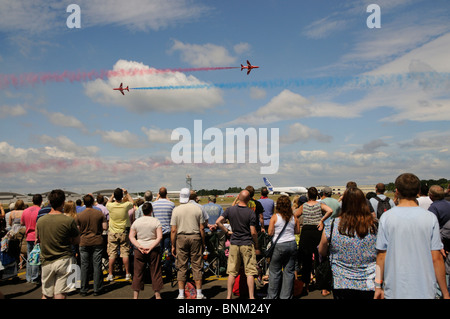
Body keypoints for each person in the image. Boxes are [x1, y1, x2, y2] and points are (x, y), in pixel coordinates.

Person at [374, 173, 449, 299]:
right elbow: (436, 258)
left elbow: (381, 255)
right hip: (425, 288)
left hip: (395, 288)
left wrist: (378, 285)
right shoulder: (430, 217)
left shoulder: (386, 217)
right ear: (418, 191)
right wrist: (445, 293)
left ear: (396, 191)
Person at [318, 187, 378, 299]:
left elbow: (322, 250)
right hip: (369, 281)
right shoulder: (374, 225)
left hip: (341, 281)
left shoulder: (333, 224)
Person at [35, 189, 80, 299]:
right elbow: (76, 240)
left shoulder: (40, 220)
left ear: (50, 202)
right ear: (63, 202)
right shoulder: (68, 220)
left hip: (46, 260)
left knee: (46, 293)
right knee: (60, 293)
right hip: (64, 258)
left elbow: (37, 239)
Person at [216, 190, 260, 299]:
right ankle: (251, 296)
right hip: (247, 243)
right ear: (249, 199)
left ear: (238, 197)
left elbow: (218, 222)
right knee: (250, 271)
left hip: (235, 243)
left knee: (232, 271)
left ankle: (228, 295)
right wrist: (257, 245)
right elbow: (253, 232)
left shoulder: (230, 210)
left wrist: (226, 231)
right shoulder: (251, 213)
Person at [295, 187, 332, 293]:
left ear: (308, 195)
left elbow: (295, 215)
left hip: (306, 231)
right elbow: (330, 210)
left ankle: (306, 285)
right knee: (321, 258)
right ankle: (323, 286)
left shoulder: (304, 206)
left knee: (306, 260)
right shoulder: (320, 205)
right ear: (317, 195)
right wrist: (322, 220)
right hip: (317, 230)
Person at [170, 188, 206, 299]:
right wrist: (203, 242)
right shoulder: (198, 209)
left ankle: (181, 293)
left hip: (181, 237)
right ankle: (199, 293)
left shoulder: (176, 210)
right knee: (197, 265)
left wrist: (173, 245)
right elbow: (202, 228)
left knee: (181, 266)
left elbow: (173, 230)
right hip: (195, 237)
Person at [266, 195, 300, 299]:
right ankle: (286, 296)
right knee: (289, 273)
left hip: (279, 245)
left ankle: (272, 296)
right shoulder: (293, 217)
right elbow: (297, 231)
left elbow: (270, 232)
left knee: (274, 272)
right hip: (291, 244)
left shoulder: (275, 217)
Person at [129, 202, 163, 299]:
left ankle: (135, 296)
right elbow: (159, 237)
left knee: (138, 273)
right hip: (154, 249)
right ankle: (157, 295)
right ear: (151, 210)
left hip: (139, 250)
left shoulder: (137, 222)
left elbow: (131, 236)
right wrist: (151, 247)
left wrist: (139, 246)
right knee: (155, 272)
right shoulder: (156, 221)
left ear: (142, 211)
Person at [76, 194, 107, 296]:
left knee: (84, 265)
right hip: (97, 240)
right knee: (96, 265)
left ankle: (84, 289)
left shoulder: (79, 215)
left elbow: (78, 229)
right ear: (93, 202)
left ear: (84, 203)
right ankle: (97, 288)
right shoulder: (99, 213)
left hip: (84, 241)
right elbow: (105, 227)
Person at [106, 188, 134, 281]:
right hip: (123, 232)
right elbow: (132, 202)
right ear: (122, 196)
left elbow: (108, 202)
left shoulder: (110, 206)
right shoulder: (125, 205)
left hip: (113, 232)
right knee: (125, 253)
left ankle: (110, 274)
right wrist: (127, 193)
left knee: (112, 254)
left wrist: (112, 195)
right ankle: (127, 273)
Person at [20, 194, 43, 284]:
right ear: (41, 201)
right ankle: (34, 276)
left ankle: (28, 277)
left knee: (30, 256)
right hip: (37, 236)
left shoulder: (25, 211)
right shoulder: (40, 211)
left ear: (32, 200)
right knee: (36, 257)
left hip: (29, 235)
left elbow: (22, 223)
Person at [152, 187, 175, 255]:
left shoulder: (154, 204)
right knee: (167, 251)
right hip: (168, 231)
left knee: (158, 250)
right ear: (166, 194)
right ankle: (167, 264)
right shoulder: (171, 204)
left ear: (159, 194)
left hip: (157, 231)